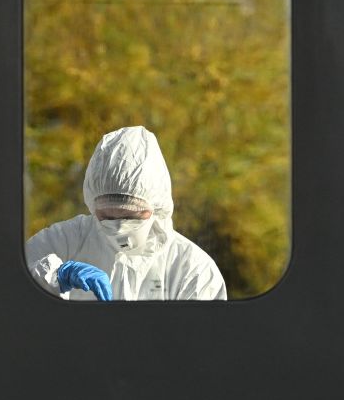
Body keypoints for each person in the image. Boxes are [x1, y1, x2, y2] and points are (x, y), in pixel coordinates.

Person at [26, 126, 227, 301]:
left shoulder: (192, 269)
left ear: (157, 206)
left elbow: (206, 330)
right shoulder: (65, 241)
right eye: (107, 216)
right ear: (92, 206)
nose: (119, 226)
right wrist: (52, 278)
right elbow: (11, 288)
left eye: (132, 217)